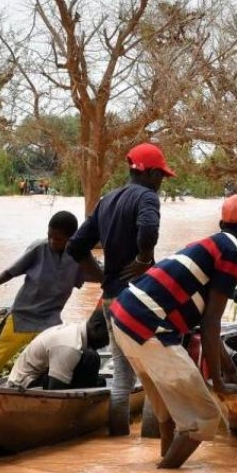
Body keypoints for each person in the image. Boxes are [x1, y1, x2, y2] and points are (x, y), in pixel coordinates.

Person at [110, 194, 237, 469]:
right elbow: (211, 323)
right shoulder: (235, 252)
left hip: (124, 318)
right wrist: (218, 381)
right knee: (204, 417)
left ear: (222, 224)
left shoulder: (209, 245)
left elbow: (206, 325)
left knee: (169, 412)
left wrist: (231, 372)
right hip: (150, 326)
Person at [66, 142, 168, 437]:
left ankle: (117, 441)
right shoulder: (147, 197)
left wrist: (101, 275)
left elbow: (76, 246)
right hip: (141, 296)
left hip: (111, 298)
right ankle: (152, 444)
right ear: (148, 173)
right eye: (159, 175)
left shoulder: (107, 200)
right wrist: (144, 260)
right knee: (153, 374)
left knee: (122, 375)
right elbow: (148, 229)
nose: (160, 182)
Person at [0, 211, 97, 384]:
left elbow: (99, 275)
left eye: (58, 239)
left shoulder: (78, 256)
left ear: (71, 238)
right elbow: (10, 272)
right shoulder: (39, 248)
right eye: (49, 236)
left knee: (55, 364)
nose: (52, 241)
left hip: (50, 322)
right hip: (21, 317)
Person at [6, 309, 108, 390]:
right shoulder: (69, 345)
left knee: (96, 375)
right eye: (109, 335)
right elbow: (56, 391)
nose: (108, 342)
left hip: (40, 376)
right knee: (91, 359)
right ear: (97, 327)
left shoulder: (76, 332)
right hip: (23, 385)